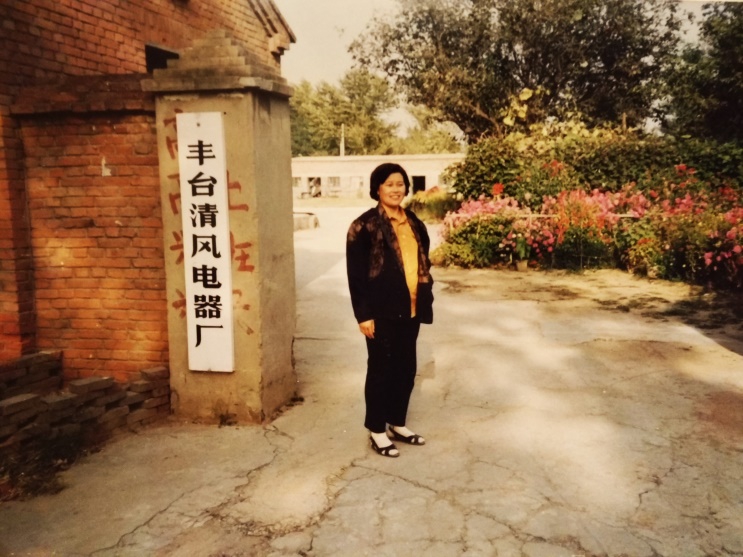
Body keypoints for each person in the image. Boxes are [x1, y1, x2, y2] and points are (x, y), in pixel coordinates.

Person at [346, 163, 434, 458]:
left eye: (400, 184)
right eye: (389, 184)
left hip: (411, 308)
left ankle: (397, 423)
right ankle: (377, 430)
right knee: (381, 369)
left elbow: (423, 259)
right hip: (380, 311)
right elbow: (356, 275)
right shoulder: (364, 225)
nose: (396, 189)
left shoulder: (414, 222)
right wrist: (363, 315)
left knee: (406, 368)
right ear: (377, 189)